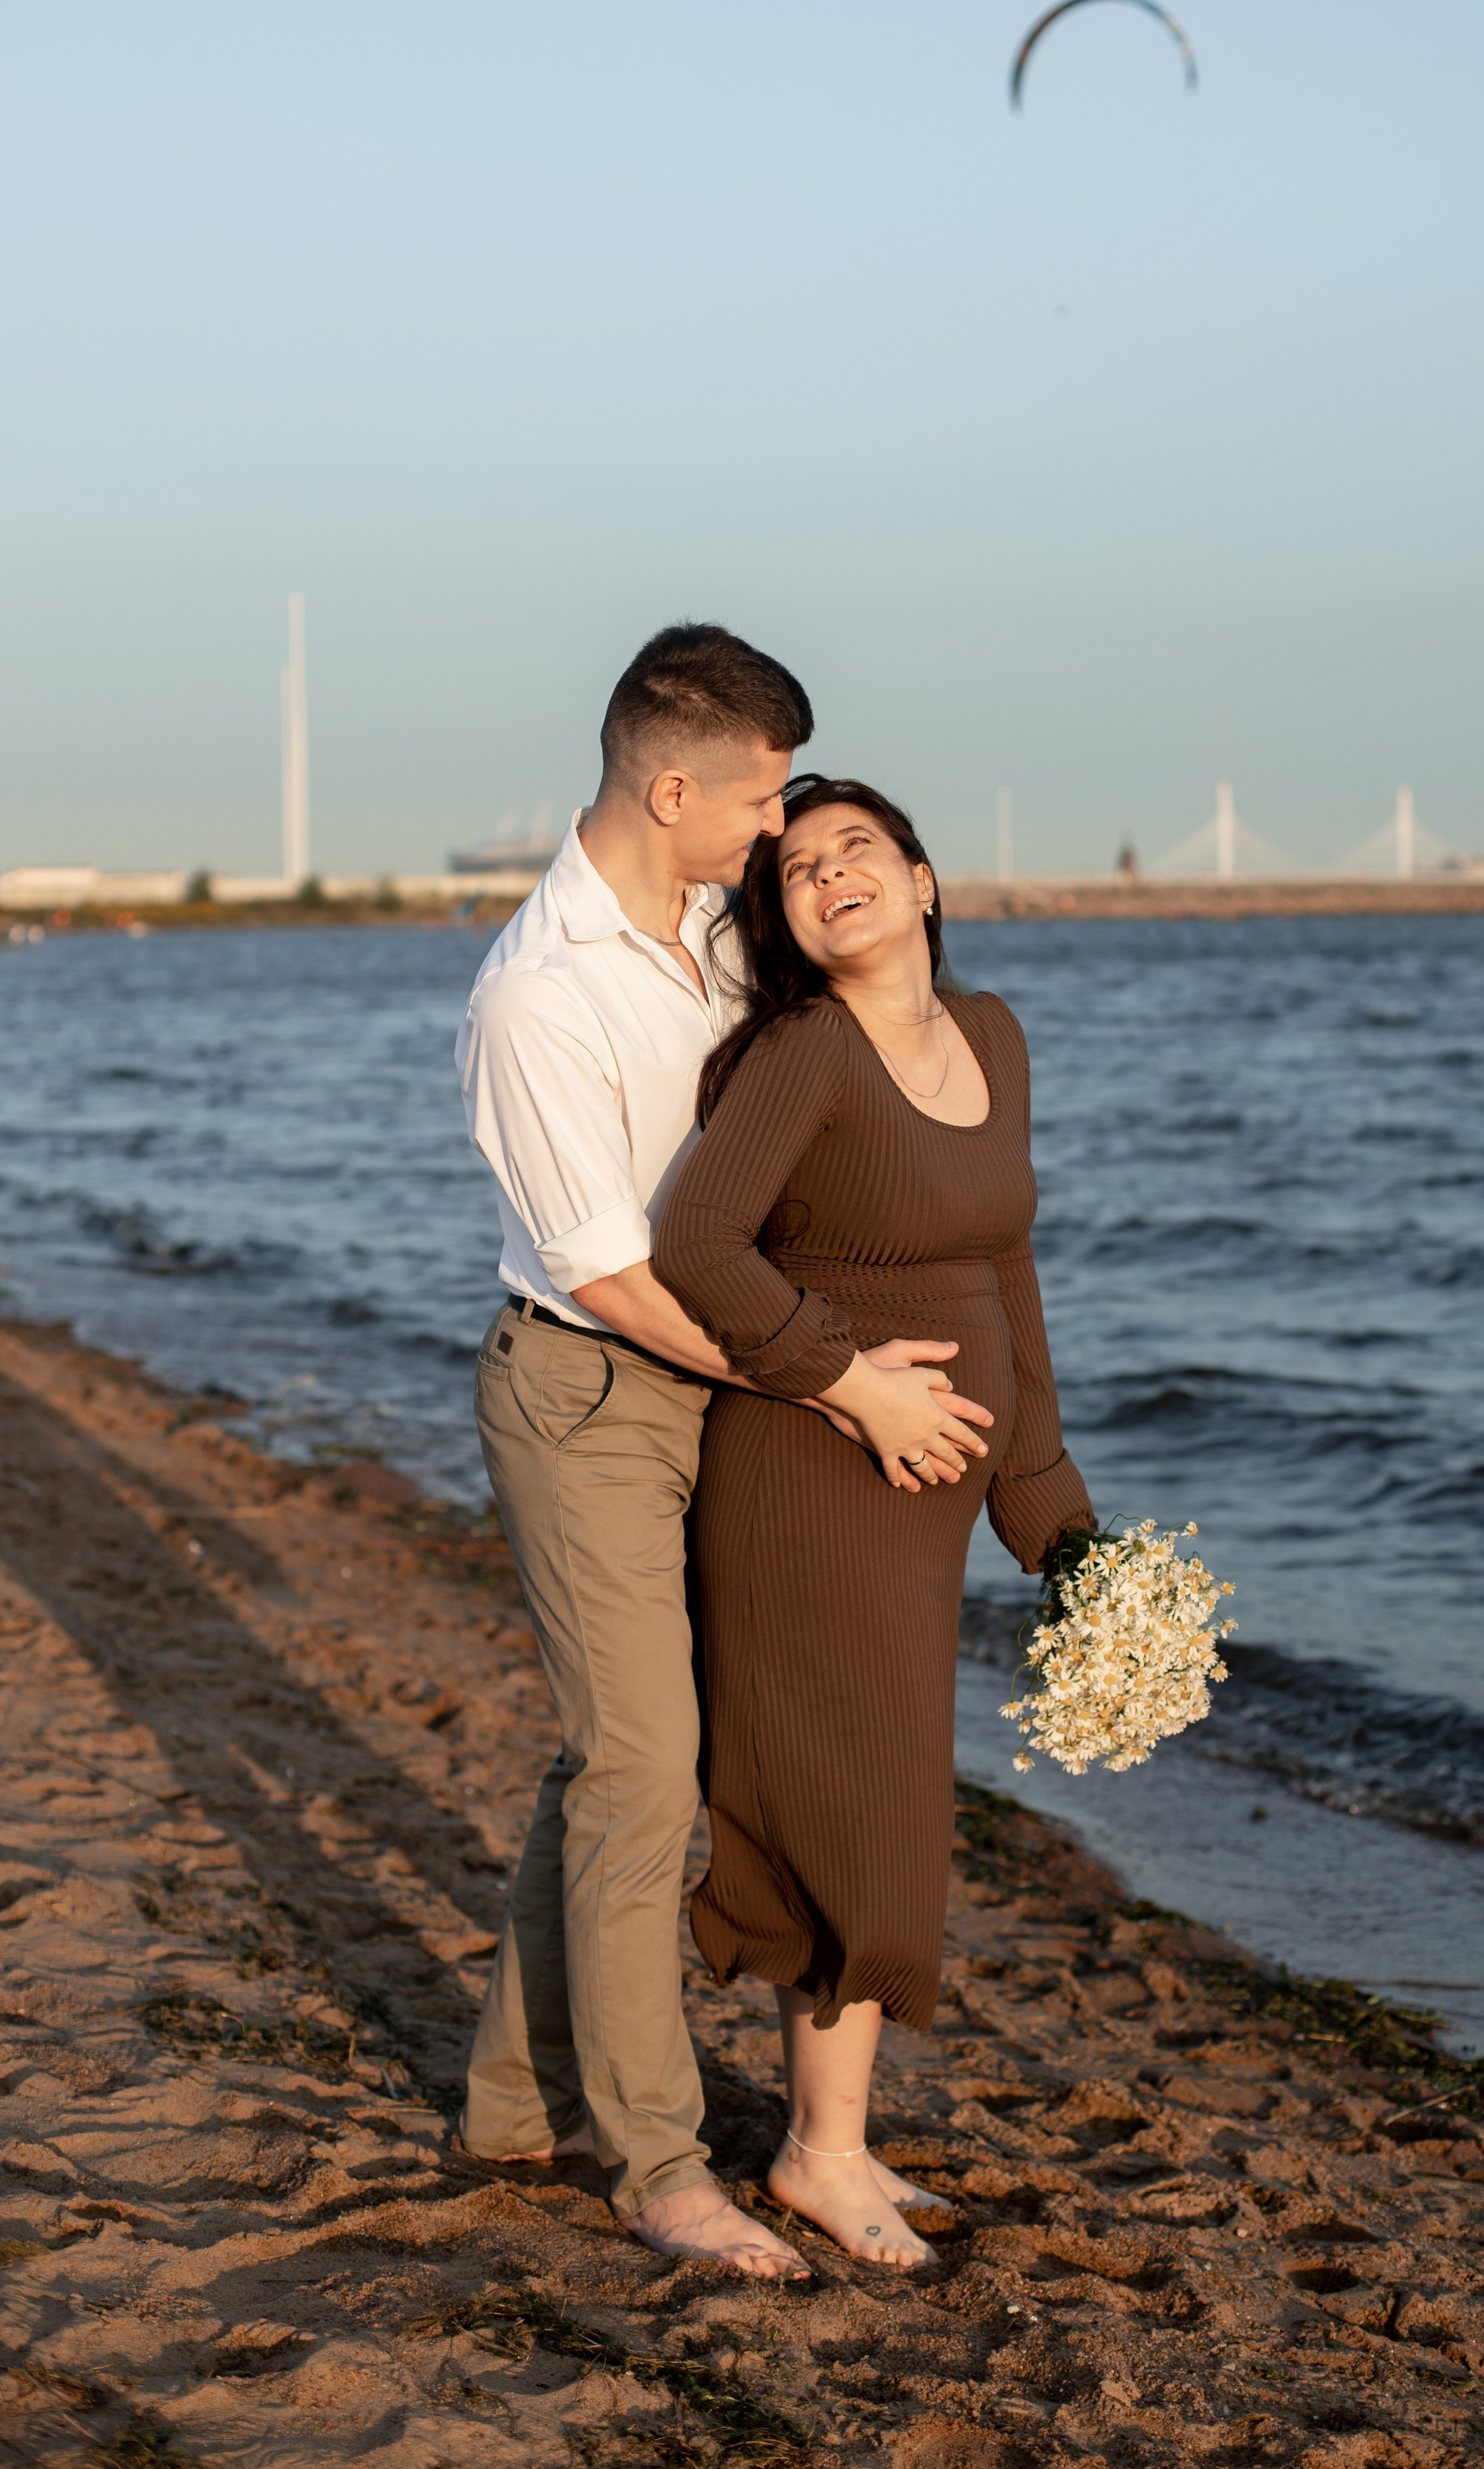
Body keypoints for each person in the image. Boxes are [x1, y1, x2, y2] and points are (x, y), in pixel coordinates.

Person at [455, 635, 990, 2281]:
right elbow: (620, 1272)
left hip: (734, 1398)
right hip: (595, 1394)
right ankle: (660, 2166)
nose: (781, 827)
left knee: (623, 1762)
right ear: (669, 786)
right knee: (639, 1771)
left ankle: (504, 2103)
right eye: (764, 795)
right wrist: (835, 1382)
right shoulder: (538, 992)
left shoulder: (715, 923)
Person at [652, 775, 1095, 2269]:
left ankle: (827, 2145)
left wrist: (1054, 1519)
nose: (828, 875)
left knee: (887, 1798)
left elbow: (1005, 1272)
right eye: (793, 870)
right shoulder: (799, 1053)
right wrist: (840, 1381)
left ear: (919, 879)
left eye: (857, 852)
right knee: (852, 1808)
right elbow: (694, 1240)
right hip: (808, 1476)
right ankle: (820, 2154)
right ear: (780, 921)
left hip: (929, 1497)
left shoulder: (991, 1037)